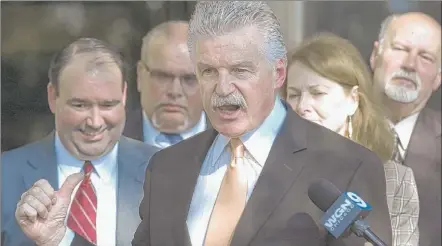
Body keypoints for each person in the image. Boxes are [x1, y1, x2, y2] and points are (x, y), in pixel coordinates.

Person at [132, 2, 393, 245]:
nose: (222, 88)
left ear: (278, 73)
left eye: (240, 70)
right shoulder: (166, 168)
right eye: (208, 71)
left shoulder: (347, 166)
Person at [3, 38, 158, 246]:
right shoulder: (5, 174)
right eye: (80, 105)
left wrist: (62, 240)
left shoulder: (165, 171)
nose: (95, 122)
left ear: (123, 96)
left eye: (107, 105)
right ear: (52, 97)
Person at [284, 33, 420, 246]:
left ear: (353, 100)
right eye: (293, 95)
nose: (302, 106)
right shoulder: (272, 168)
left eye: (317, 93)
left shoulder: (394, 180)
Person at [369, 12, 441, 246]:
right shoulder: (336, 130)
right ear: (374, 56)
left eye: (426, 57)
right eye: (400, 48)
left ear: (438, 78)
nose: (410, 65)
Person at [124, 21, 207, 148]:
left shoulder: (236, 143)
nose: (175, 91)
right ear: (140, 76)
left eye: (189, 79)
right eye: (162, 77)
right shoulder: (110, 140)